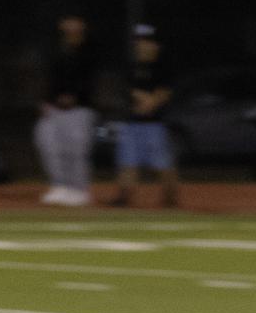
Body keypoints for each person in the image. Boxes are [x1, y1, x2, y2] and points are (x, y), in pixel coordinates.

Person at [111, 25, 180, 209]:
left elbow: (164, 92)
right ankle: (124, 197)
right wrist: (143, 99)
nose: (143, 45)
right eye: (140, 41)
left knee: (162, 164)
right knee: (127, 161)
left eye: (147, 41)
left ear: (156, 45)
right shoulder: (131, 67)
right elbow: (128, 90)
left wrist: (150, 102)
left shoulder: (162, 66)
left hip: (155, 124)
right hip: (132, 123)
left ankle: (170, 198)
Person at [37, 15, 98, 207]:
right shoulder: (55, 50)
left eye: (75, 26)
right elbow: (49, 78)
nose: (71, 29)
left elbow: (89, 80)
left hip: (79, 110)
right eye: (68, 26)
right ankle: (60, 186)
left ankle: (79, 190)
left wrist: (74, 95)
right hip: (54, 109)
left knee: (76, 151)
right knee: (49, 147)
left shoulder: (89, 52)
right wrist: (45, 101)